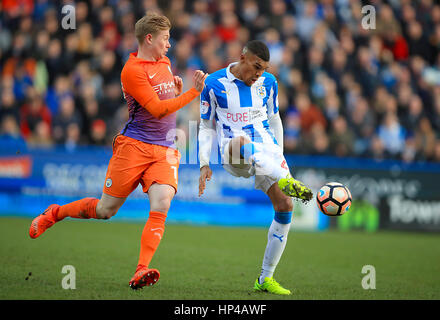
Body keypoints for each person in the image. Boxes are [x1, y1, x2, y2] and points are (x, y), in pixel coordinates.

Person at [29, 12, 208, 290]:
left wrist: (175, 91)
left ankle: (141, 269)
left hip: (164, 149)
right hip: (133, 147)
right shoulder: (132, 70)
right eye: (165, 39)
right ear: (149, 39)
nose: (169, 44)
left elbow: (164, 98)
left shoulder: (165, 62)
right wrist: (192, 93)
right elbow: (158, 110)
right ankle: (55, 213)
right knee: (104, 210)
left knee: (162, 204)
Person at [198, 40, 312, 295]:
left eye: (264, 68)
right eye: (257, 67)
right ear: (243, 58)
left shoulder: (269, 83)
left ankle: (265, 278)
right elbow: (206, 126)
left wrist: (279, 156)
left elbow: (274, 119)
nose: (260, 73)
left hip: (266, 152)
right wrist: (204, 162)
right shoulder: (214, 83)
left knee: (285, 207)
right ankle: (283, 178)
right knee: (240, 142)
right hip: (233, 152)